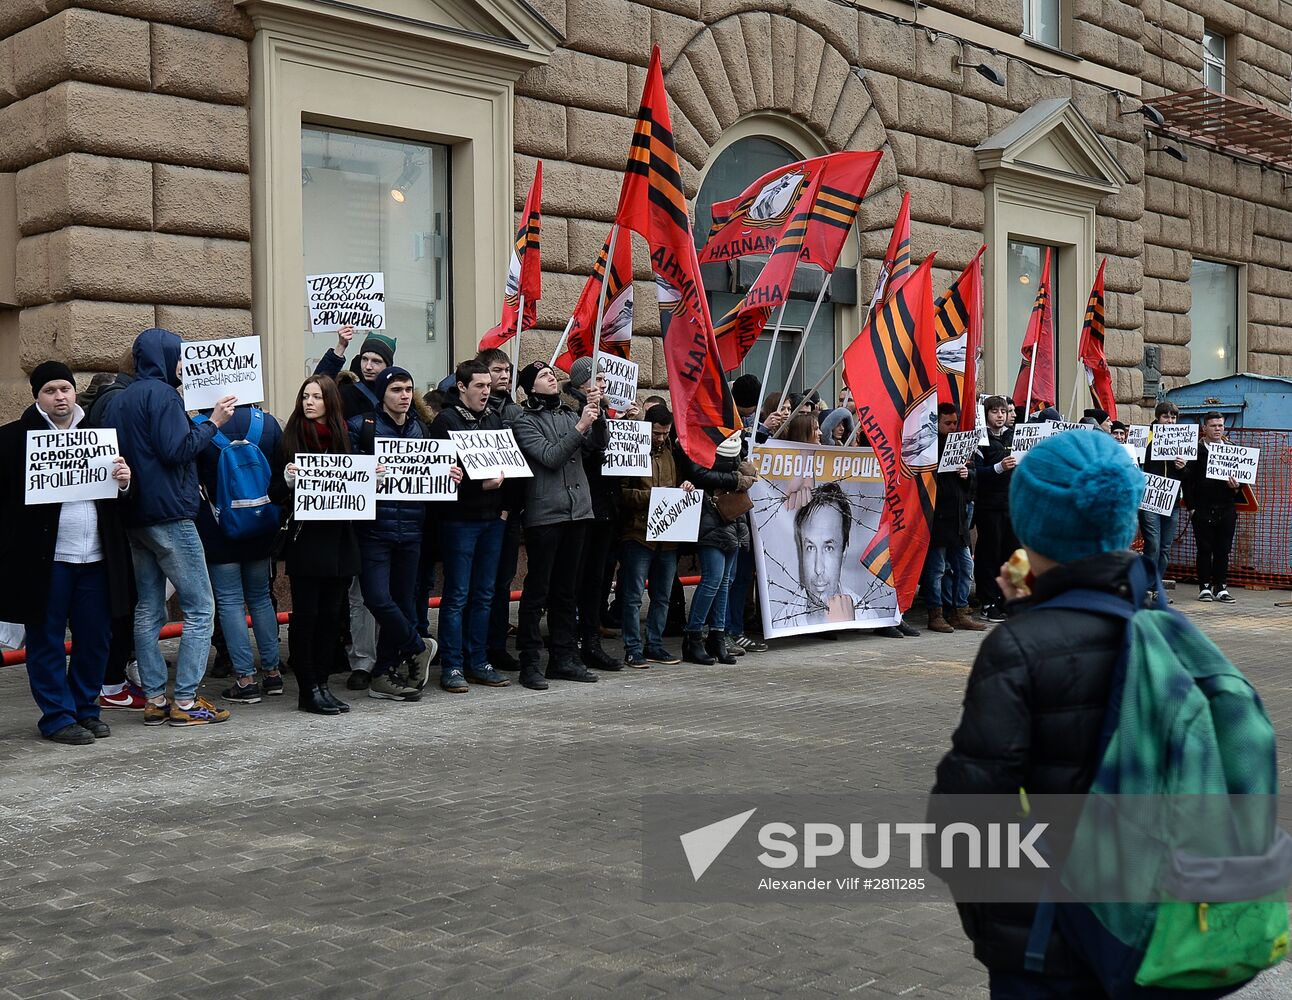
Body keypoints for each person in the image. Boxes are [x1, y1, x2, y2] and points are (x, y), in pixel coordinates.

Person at [930, 429, 1146, 998]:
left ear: (1031, 524)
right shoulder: (1168, 634)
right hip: (1153, 928)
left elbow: (964, 814)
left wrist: (994, 923)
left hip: (1050, 941)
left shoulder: (1019, 648)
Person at [0, 362, 134, 743]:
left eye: (65, 389)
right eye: (50, 390)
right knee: (46, 639)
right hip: (47, 562)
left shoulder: (100, 438)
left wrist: (125, 482)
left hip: (96, 559)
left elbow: (122, 501)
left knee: (96, 638)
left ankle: (85, 709)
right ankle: (56, 716)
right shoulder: (12, 440)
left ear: (75, 393)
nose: (60, 396)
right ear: (37, 397)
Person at [110, 327, 235, 728]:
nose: (185, 365)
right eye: (180, 357)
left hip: (136, 515)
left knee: (148, 609)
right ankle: (185, 701)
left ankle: (155, 699)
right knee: (201, 607)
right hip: (170, 514)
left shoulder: (120, 398)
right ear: (164, 358)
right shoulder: (163, 395)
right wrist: (213, 423)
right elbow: (176, 449)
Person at [511, 361, 607, 689]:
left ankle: (564, 658)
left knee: (567, 591)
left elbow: (597, 445)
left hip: (578, 512)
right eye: (543, 376)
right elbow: (550, 457)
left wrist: (597, 409)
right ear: (529, 387)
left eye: (552, 373)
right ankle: (530, 662)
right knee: (538, 591)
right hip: (546, 515)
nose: (551, 377)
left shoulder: (569, 413)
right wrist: (580, 426)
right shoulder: (524, 421)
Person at [272, 376, 361, 715]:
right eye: (305, 395)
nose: (309, 402)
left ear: (330, 401)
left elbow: (356, 481)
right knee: (307, 616)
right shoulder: (291, 437)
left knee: (331, 616)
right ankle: (307, 688)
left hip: (339, 540)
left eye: (317, 397)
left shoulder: (343, 436)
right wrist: (287, 479)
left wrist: (373, 476)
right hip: (307, 539)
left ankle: (323, 683)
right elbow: (273, 491)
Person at [346, 367, 435, 700]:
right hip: (374, 530)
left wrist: (448, 473)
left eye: (409, 389)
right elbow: (345, 471)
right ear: (382, 393)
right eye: (397, 389)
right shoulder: (361, 426)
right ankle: (416, 647)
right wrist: (366, 467)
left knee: (402, 603)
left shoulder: (420, 430)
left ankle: (383, 674)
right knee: (376, 598)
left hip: (411, 529)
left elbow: (432, 474)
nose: (405, 395)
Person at [313, 324, 390, 689]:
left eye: (378, 361)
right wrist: (339, 348)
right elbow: (317, 387)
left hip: (391, 513)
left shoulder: (403, 401)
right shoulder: (345, 393)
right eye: (366, 359)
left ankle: (388, 655)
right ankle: (359, 658)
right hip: (350, 504)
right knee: (353, 592)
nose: (370, 366)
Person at [429, 360, 511, 693]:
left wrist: (504, 503)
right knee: (457, 595)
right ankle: (452, 665)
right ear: (462, 387)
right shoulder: (446, 422)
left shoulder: (493, 418)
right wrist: (480, 487)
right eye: (479, 386)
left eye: (488, 386)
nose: (485, 392)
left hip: (492, 519)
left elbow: (508, 462)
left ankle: (478, 661)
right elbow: (441, 478)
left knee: (485, 593)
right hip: (460, 521)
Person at [195, 403, 285, 705]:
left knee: (231, 601)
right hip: (261, 524)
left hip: (220, 528)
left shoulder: (198, 425)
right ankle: (273, 673)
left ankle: (245, 680)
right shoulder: (267, 424)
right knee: (260, 597)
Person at [83, 346, 144, 710]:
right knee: (122, 602)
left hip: (107, 519)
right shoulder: (119, 402)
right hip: (114, 521)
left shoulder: (105, 400)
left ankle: (111, 678)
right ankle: (111, 681)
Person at [617, 405, 688, 667]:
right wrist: (652, 498)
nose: (660, 438)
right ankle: (633, 647)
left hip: (667, 535)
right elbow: (622, 492)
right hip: (638, 533)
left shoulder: (672, 453)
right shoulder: (633, 450)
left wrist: (684, 487)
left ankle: (654, 645)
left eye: (665, 433)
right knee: (633, 595)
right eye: (657, 433)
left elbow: (680, 482)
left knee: (662, 595)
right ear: (648, 428)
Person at [564, 358, 622, 672]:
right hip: (581, 507)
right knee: (577, 579)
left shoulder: (604, 413)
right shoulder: (572, 414)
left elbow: (607, 448)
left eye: (604, 379)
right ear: (582, 383)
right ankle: (571, 643)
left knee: (597, 579)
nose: (602, 384)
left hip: (604, 506)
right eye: (596, 379)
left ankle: (591, 641)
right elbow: (589, 450)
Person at [679, 433, 752, 664]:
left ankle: (717, 636)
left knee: (725, 581)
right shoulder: (697, 435)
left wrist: (743, 471)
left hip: (731, 514)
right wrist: (735, 479)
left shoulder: (732, 437)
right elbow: (697, 472)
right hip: (711, 513)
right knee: (713, 579)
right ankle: (693, 637)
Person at [477, 347, 527, 673]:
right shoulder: (475, 414)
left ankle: (496, 644)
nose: (505, 376)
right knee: (478, 585)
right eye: (498, 370)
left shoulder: (517, 412)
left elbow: (520, 467)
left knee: (501, 583)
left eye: (508, 370)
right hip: (480, 512)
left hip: (509, 514)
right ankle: (476, 646)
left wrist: (510, 508)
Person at [922, 404, 985, 635]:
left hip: (958, 517)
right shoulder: (929, 448)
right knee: (937, 568)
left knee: (965, 566)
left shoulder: (959, 446)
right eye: (947, 423)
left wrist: (967, 474)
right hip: (938, 517)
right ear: (937, 423)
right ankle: (935, 612)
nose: (952, 427)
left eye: (954, 423)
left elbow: (971, 483)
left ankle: (959, 611)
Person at [1185, 411, 1242, 604]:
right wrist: (1191, 507)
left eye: (1220, 425)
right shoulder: (1197, 452)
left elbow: (1242, 481)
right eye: (1213, 425)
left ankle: (1221, 587)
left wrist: (1236, 487)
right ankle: (1204, 588)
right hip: (1202, 509)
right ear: (1204, 429)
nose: (1217, 429)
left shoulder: (1232, 449)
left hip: (1226, 508)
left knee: (1223, 549)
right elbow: (1188, 481)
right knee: (1204, 549)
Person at [972, 395, 1017, 623]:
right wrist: (998, 468)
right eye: (995, 412)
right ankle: (988, 601)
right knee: (991, 553)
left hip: (1012, 505)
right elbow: (975, 472)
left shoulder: (1013, 437)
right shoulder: (981, 441)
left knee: (1011, 554)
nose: (1000, 416)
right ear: (986, 415)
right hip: (989, 506)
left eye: (1003, 412)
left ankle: (1008, 599)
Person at [1139, 401, 1187, 582]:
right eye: (1166, 416)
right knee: (1153, 545)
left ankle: (1156, 585)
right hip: (1150, 500)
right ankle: (1146, 585)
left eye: (1173, 417)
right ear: (1157, 418)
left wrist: (1182, 467)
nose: (1170, 421)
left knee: (1165, 547)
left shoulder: (1183, 441)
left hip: (1172, 501)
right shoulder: (1146, 438)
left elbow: (1188, 475)